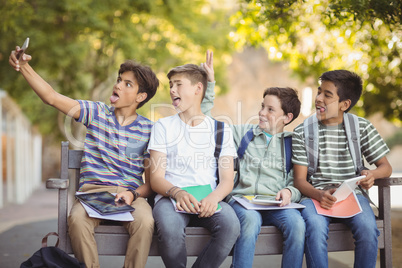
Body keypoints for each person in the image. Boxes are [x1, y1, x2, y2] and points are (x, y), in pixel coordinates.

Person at [9, 45, 159, 268]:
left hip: (130, 196)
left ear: (141, 96)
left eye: (127, 84)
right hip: (93, 193)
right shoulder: (96, 112)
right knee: (77, 220)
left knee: (146, 221)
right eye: (119, 79)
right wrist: (24, 67)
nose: (118, 84)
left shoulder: (150, 129)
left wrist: (132, 193)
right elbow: (51, 97)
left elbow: (152, 181)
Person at [201, 51, 305, 268]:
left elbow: (297, 182)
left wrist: (289, 192)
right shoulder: (244, 134)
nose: (261, 113)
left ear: (287, 118)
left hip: (276, 206)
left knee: (297, 224)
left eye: (270, 109)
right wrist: (210, 83)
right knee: (249, 222)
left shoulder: (292, 143)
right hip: (243, 202)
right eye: (262, 106)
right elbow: (208, 123)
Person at [292, 70, 393, 268]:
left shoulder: (361, 128)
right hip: (314, 197)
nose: (318, 98)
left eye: (327, 95)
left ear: (344, 105)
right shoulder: (302, 131)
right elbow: (300, 181)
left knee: (367, 229)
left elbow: (386, 167)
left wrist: (371, 174)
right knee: (314, 227)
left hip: (352, 196)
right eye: (319, 92)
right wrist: (319, 194)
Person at [148, 63, 240, 268]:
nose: (172, 90)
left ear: (198, 89)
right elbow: (156, 178)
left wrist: (214, 198)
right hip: (171, 199)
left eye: (178, 84)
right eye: (171, 85)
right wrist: (177, 193)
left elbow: (227, 179)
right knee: (170, 229)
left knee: (231, 225)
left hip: (207, 199)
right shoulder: (163, 126)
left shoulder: (220, 129)